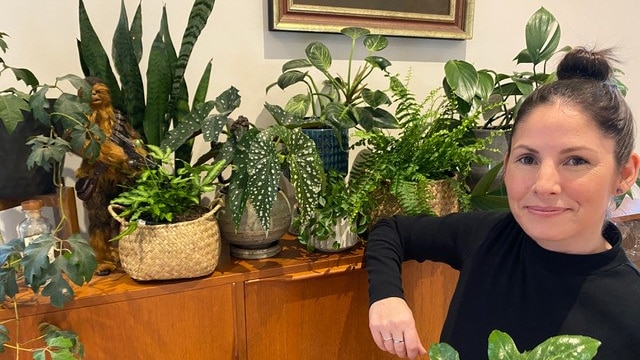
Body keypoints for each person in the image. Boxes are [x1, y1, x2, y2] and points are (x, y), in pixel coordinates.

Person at [365, 47, 640, 359]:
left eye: (575, 160)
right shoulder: (486, 236)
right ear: (507, 164)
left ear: (625, 173)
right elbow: (391, 231)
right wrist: (387, 298)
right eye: (527, 158)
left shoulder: (630, 312)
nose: (544, 185)